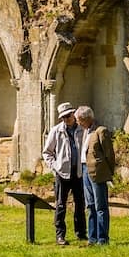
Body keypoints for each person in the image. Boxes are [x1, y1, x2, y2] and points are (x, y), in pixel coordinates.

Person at [41, 101, 86, 246]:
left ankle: (81, 233)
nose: (66, 119)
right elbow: (47, 152)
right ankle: (60, 235)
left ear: (73, 114)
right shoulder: (56, 130)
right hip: (62, 173)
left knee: (80, 204)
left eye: (68, 116)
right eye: (63, 117)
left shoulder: (81, 130)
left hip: (78, 173)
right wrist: (55, 167)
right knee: (61, 205)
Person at [76, 105, 114, 247]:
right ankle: (92, 238)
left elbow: (109, 154)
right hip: (85, 170)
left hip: (97, 173)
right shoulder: (84, 131)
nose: (78, 123)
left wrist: (109, 173)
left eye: (79, 120)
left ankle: (102, 239)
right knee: (90, 205)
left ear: (87, 119)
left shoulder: (100, 131)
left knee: (100, 206)